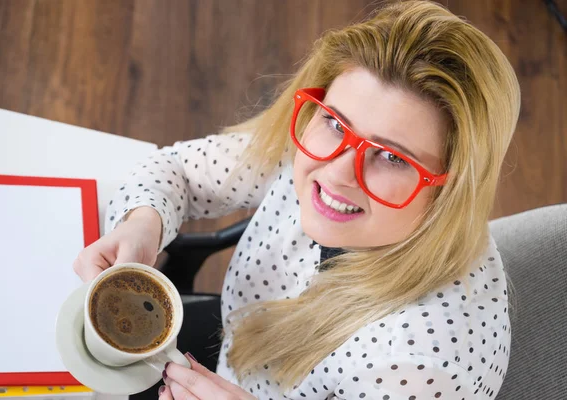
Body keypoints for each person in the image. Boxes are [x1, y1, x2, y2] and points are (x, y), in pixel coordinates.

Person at [73, 1, 520, 399]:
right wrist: (142, 222)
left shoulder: (419, 368)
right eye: (335, 122)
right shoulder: (315, 140)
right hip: (232, 350)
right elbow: (180, 170)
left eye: (391, 157)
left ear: (451, 184)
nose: (337, 172)